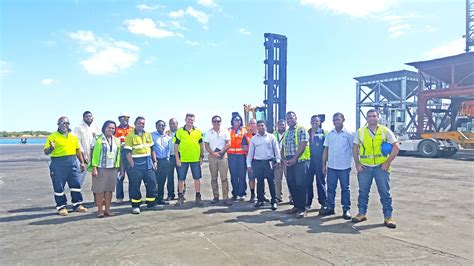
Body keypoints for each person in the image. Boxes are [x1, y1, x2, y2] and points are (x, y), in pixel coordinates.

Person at [352, 109, 400, 228]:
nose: (372, 118)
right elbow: (355, 147)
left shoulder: (384, 131)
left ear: (378, 117)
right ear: (366, 118)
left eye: (374, 116)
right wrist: (357, 163)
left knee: (384, 193)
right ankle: (361, 213)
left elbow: (396, 147)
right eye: (369, 116)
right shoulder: (360, 131)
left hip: (381, 167)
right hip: (365, 167)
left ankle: (388, 217)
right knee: (363, 192)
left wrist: (387, 163)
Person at [44, 116, 88, 216]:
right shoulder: (52, 137)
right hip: (58, 163)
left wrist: (81, 162)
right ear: (58, 124)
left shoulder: (73, 136)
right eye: (62, 123)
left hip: (72, 162)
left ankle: (77, 204)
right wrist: (51, 148)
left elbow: (77, 150)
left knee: (76, 184)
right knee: (59, 186)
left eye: (67, 123)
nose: (65, 125)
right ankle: (61, 206)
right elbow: (46, 152)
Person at [319, 113, 354, 220]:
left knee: (345, 189)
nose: (336, 122)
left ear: (343, 120)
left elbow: (354, 148)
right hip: (332, 167)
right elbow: (326, 150)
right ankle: (330, 208)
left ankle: (346, 209)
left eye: (338, 119)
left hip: (344, 166)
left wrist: (356, 162)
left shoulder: (349, 134)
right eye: (334, 120)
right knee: (331, 189)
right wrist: (324, 165)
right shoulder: (330, 134)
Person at [124, 116, 158, 214]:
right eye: (139, 123)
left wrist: (154, 161)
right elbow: (127, 152)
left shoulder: (147, 134)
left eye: (143, 123)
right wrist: (132, 165)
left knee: (152, 183)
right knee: (135, 186)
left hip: (148, 162)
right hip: (136, 163)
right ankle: (135, 206)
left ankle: (151, 204)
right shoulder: (130, 135)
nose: (141, 125)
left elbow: (152, 149)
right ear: (135, 124)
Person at [89, 120, 121, 218]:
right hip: (100, 168)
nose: (111, 130)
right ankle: (100, 211)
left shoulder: (116, 140)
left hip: (112, 168)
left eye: (113, 128)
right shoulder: (97, 138)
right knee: (99, 190)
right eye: (109, 128)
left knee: (109, 190)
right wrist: (94, 167)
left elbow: (118, 154)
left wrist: (119, 168)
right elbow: (92, 153)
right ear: (104, 128)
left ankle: (107, 210)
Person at [282, 111, 310, 218]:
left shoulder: (301, 129)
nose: (289, 120)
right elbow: (283, 147)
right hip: (289, 161)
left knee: (300, 185)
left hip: (300, 161)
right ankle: (296, 206)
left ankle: (302, 208)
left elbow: (303, 145)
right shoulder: (287, 132)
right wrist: (284, 159)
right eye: (288, 119)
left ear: (296, 118)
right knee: (291, 183)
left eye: (291, 118)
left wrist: (295, 158)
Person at [247, 120, 280, 210]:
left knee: (271, 182)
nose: (260, 127)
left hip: (269, 162)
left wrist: (278, 160)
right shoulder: (254, 139)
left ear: (265, 126)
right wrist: (248, 164)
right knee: (260, 182)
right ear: (257, 127)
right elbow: (250, 152)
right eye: (259, 126)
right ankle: (260, 200)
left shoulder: (271, 137)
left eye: (262, 125)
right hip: (258, 162)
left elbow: (276, 149)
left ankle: (274, 201)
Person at [174, 113, 204, 206]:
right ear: (185, 120)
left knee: (197, 178)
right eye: (188, 120)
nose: (190, 121)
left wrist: (201, 156)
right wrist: (177, 159)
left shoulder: (198, 131)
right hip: (183, 159)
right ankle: (180, 197)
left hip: (195, 159)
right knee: (181, 179)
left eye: (192, 120)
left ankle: (198, 197)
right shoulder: (179, 131)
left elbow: (201, 145)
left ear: (194, 121)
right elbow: (176, 147)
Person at [204, 115, 231, 205]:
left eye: (218, 121)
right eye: (214, 121)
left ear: (220, 122)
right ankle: (216, 197)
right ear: (212, 122)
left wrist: (221, 152)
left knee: (224, 178)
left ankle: (226, 198)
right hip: (212, 157)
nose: (216, 123)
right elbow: (206, 145)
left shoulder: (225, 131)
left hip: (223, 157)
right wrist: (213, 153)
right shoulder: (208, 132)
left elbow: (228, 143)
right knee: (214, 178)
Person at [73, 111, 101, 186]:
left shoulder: (96, 127)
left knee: (97, 177)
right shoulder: (79, 127)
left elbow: (99, 141)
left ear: (92, 117)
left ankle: (97, 196)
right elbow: (77, 142)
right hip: (82, 157)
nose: (88, 118)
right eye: (86, 116)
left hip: (94, 156)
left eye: (90, 116)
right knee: (79, 178)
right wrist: (82, 157)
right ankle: (77, 194)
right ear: (83, 118)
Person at [306, 115, 327, 210]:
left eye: (317, 121)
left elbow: (326, 149)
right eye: (313, 121)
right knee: (307, 183)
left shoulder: (323, 133)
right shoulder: (307, 133)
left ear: (320, 122)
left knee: (321, 182)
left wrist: (324, 164)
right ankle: (307, 202)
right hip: (308, 162)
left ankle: (323, 203)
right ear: (310, 122)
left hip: (320, 162)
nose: (314, 122)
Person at [227, 114, 250, 201]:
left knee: (242, 175)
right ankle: (235, 193)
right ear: (232, 121)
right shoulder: (228, 131)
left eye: (239, 120)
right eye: (236, 120)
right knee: (233, 175)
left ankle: (242, 193)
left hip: (241, 156)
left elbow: (249, 141)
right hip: (231, 156)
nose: (237, 122)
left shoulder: (244, 131)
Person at [114, 112, 133, 204]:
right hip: (120, 155)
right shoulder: (116, 130)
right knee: (120, 176)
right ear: (119, 119)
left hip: (130, 155)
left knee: (132, 176)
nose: (125, 119)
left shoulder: (132, 129)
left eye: (127, 118)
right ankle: (119, 197)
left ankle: (132, 196)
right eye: (123, 118)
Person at [151, 120, 171, 205]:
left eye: (163, 125)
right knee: (154, 181)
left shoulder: (168, 137)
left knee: (162, 181)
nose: (161, 127)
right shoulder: (152, 135)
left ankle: (160, 198)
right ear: (156, 126)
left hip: (165, 161)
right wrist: (154, 161)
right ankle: (153, 198)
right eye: (159, 125)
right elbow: (151, 148)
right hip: (156, 160)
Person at [273, 119, 288, 203]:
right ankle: (278, 196)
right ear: (277, 126)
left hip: (286, 159)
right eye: (280, 125)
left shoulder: (288, 133)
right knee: (277, 179)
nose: (282, 126)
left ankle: (291, 197)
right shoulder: (273, 135)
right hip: (277, 160)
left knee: (289, 179)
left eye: (283, 125)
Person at [166, 118, 179, 200]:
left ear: (177, 124)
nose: (172, 125)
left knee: (181, 176)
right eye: (170, 124)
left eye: (174, 123)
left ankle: (181, 193)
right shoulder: (166, 133)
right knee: (169, 177)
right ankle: (170, 194)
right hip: (170, 157)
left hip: (180, 156)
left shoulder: (181, 132)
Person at [246, 118, 258, 202]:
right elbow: (244, 147)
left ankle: (262, 195)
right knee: (251, 178)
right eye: (251, 124)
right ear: (249, 126)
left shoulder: (261, 134)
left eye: (254, 123)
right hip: (251, 160)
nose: (253, 125)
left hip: (260, 160)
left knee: (261, 179)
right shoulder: (246, 136)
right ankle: (252, 195)